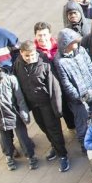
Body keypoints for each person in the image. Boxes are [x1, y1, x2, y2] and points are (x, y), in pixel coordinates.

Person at [13, 40, 69, 170]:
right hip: (34, 104)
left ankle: (63, 155)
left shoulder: (44, 64)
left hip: (47, 104)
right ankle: (54, 146)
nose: (30, 58)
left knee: (53, 129)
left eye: (32, 55)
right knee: (43, 127)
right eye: (27, 56)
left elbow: (54, 88)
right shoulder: (18, 65)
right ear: (21, 53)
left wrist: (57, 108)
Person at [0, 57, 36, 171]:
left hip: (13, 112)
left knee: (23, 136)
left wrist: (24, 113)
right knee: (4, 139)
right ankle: (9, 156)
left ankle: (30, 156)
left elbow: (20, 98)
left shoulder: (10, 79)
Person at [54, 28, 92, 152]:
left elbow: (90, 66)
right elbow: (65, 82)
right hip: (78, 98)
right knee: (82, 122)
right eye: (73, 42)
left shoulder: (81, 51)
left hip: (91, 91)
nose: (76, 44)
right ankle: (85, 145)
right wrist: (76, 96)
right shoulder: (60, 61)